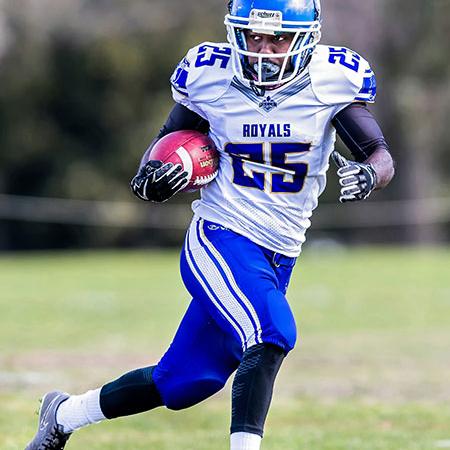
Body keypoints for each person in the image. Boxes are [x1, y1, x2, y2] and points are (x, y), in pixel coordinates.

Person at [25, 0, 395, 449]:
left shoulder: (333, 80)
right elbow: (163, 146)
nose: (262, 50)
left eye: (277, 39)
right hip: (221, 234)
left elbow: (378, 151)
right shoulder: (210, 76)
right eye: (253, 36)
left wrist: (371, 174)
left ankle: (62, 415)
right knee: (273, 331)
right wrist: (156, 177)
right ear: (235, 33)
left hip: (280, 251)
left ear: (305, 40)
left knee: (182, 382)